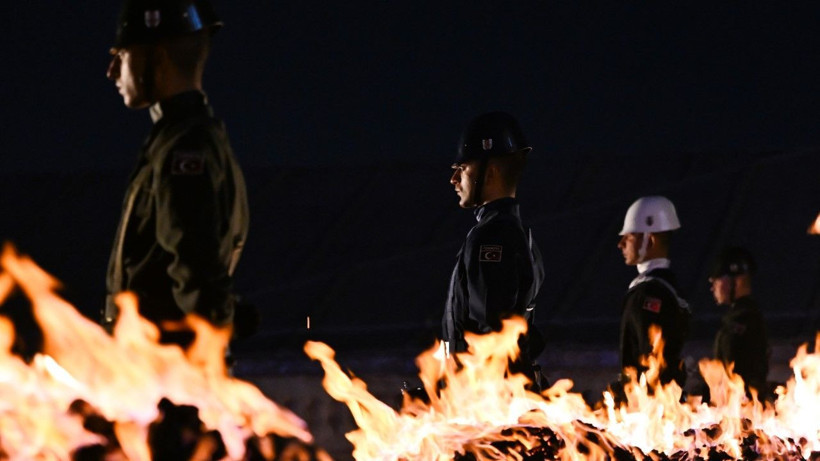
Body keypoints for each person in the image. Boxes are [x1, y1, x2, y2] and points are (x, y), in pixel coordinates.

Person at [103, 0, 249, 346]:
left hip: (164, 374)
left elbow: (194, 262)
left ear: (158, 56)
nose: (112, 71)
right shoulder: (186, 139)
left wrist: (207, 346)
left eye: (122, 55)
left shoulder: (185, 146)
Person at [441, 111, 546, 389]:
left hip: (489, 405)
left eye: (462, 168)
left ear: (491, 171)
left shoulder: (492, 236)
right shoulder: (521, 235)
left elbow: (490, 335)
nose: (454, 179)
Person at [616, 196, 690, 388]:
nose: (621, 244)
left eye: (629, 236)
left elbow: (649, 362)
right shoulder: (670, 288)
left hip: (647, 408)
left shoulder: (649, 293)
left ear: (650, 239)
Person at [709, 246, 769, 395]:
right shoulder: (742, 317)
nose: (713, 287)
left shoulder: (744, 321)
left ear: (737, 281)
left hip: (741, 406)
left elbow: (736, 372)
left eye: (717, 280)